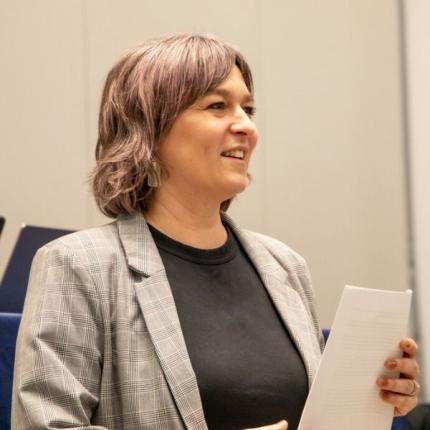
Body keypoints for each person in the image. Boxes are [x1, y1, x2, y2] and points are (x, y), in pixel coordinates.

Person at [12, 34, 419, 430]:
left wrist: (374, 398)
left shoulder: (285, 266)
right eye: (217, 106)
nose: (246, 126)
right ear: (149, 127)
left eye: (249, 109)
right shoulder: (77, 266)